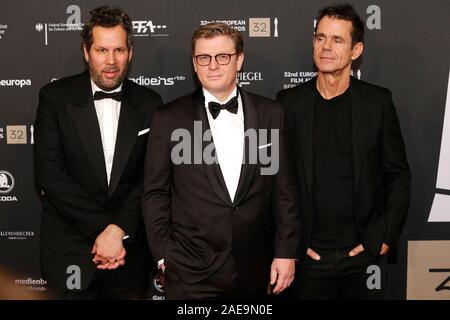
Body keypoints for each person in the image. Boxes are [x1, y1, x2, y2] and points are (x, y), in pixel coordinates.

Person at [142, 22, 300, 299]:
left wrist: (286, 252)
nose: (213, 65)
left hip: (255, 268)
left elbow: (284, 191)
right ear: (194, 63)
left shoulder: (271, 115)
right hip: (189, 270)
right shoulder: (169, 118)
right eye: (204, 57)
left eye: (222, 57)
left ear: (239, 60)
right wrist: (164, 255)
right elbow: (155, 193)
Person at [276, 3, 411, 299]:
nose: (326, 46)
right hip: (307, 258)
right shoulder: (288, 103)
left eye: (337, 40)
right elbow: (277, 181)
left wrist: (383, 238)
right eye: (320, 37)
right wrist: (291, 244)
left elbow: (399, 177)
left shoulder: (377, 103)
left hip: (362, 256)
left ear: (356, 50)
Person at [34, 6, 162, 299]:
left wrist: (119, 231)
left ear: (130, 52)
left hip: (127, 252)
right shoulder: (55, 98)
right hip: (72, 250)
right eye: (102, 50)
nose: (111, 60)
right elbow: (50, 177)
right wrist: (105, 230)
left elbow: (151, 178)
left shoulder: (150, 103)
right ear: (86, 51)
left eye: (118, 50)